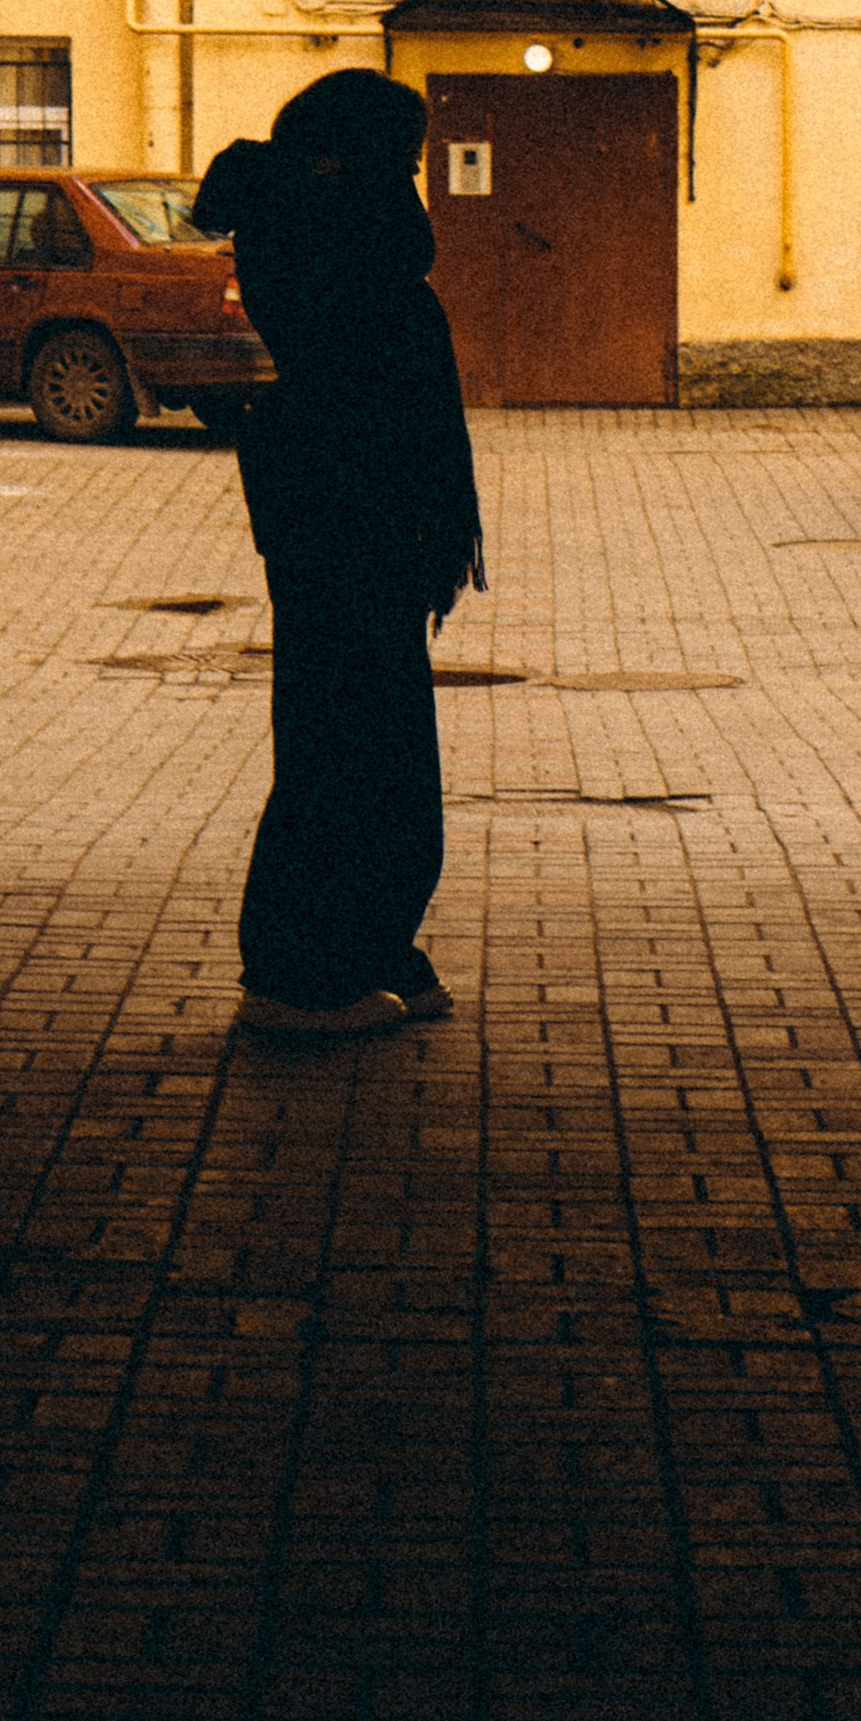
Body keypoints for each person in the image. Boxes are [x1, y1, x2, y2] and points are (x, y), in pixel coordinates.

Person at [192, 68, 485, 1038]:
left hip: (357, 508)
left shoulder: (323, 213)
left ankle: (368, 944)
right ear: (349, 153)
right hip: (342, 504)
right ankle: (296, 974)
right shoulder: (314, 223)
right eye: (401, 156)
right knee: (342, 741)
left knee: (373, 740)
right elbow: (380, 293)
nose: (410, 178)